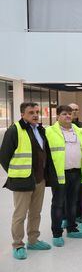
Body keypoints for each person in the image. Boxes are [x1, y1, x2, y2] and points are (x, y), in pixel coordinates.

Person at [0, 102, 55, 259]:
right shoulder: (14, 130)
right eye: (31, 112)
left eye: (37, 112)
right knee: (20, 214)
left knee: (36, 212)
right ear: (22, 114)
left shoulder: (40, 129)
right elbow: (4, 157)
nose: (35, 115)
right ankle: (18, 244)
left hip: (39, 179)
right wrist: (15, 173)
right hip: (22, 180)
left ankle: (33, 239)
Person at [46, 105, 82, 247]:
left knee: (73, 203)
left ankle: (72, 228)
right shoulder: (50, 131)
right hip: (60, 173)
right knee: (58, 204)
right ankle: (57, 233)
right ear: (57, 116)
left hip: (76, 172)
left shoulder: (78, 131)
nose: (68, 116)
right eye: (64, 114)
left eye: (70, 114)